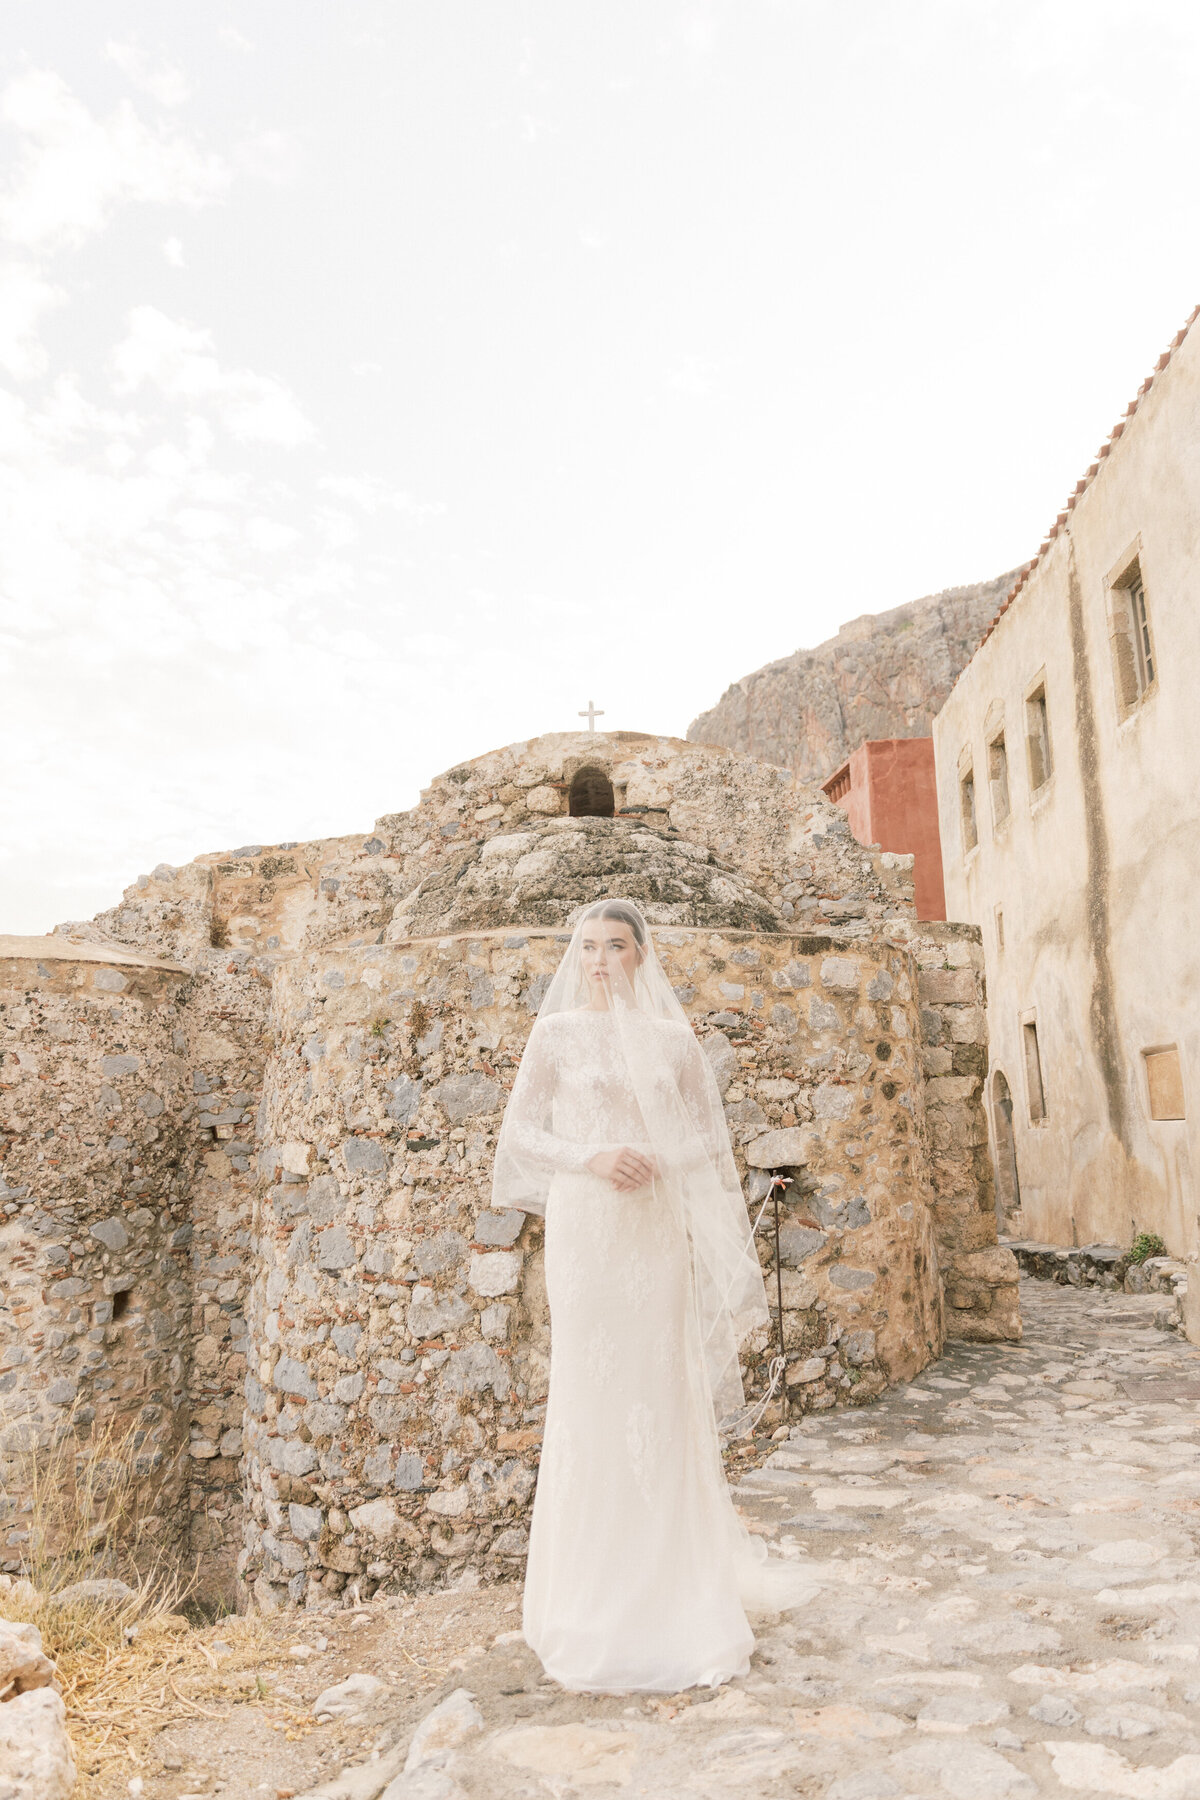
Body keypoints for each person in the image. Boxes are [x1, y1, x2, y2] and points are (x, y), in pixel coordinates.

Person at [492, 897, 808, 1694]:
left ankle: (674, 1596)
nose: (599, 959)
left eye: (616, 946)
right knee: (591, 1395)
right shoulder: (554, 1034)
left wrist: (658, 1156)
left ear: (640, 954)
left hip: (652, 1230)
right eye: (588, 946)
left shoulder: (673, 1040)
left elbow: (709, 1134)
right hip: (586, 1228)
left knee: (659, 1393)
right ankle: (585, 1599)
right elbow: (521, 1133)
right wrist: (596, 1155)